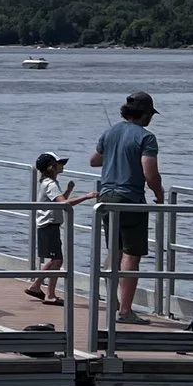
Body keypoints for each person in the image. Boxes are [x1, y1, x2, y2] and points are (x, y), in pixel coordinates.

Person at [89, 90, 164, 322]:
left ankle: (111, 301)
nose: (151, 118)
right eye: (150, 114)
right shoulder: (146, 137)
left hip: (106, 198)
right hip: (129, 200)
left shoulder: (110, 132)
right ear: (145, 114)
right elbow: (149, 172)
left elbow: (94, 161)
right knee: (131, 256)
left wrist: (115, 152)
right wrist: (159, 195)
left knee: (114, 251)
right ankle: (125, 311)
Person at [25, 153, 85, 304]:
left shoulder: (49, 183)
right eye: (59, 164)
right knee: (57, 260)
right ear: (51, 167)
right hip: (48, 224)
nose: (62, 166)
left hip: (49, 224)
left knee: (55, 259)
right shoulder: (50, 184)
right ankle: (50, 295)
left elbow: (60, 200)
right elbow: (65, 204)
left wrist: (69, 190)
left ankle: (36, 286)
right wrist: (88, 196)